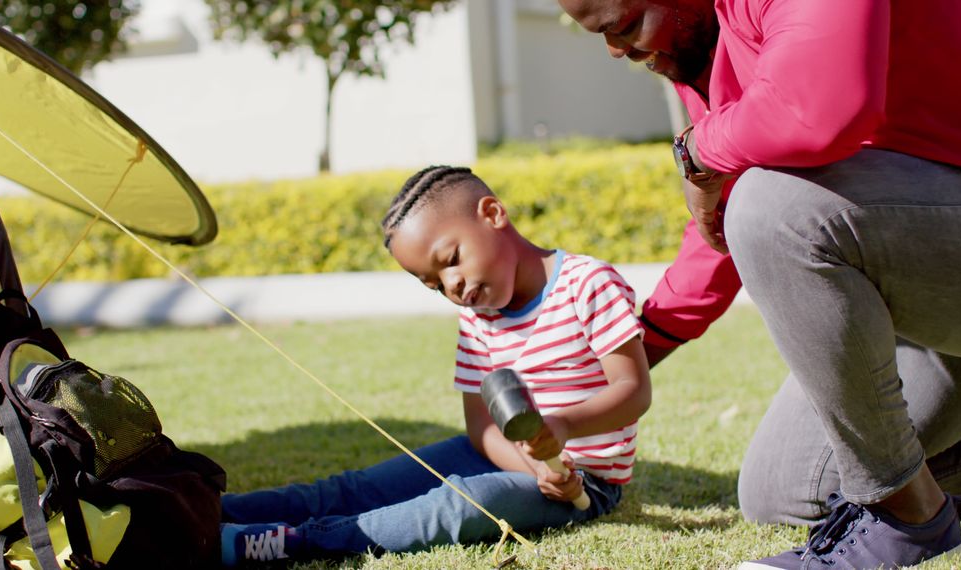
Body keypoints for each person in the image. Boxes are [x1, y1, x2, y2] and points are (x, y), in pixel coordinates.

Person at [557, 0, 961, 568]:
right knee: (787, 489)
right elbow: (722, 224)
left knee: (772, 207)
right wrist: (630, 352)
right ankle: (912, 485)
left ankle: (905, 522)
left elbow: (815, 113)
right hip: (942, 279)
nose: (617, 50)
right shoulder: (708, 43)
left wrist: (696, 151)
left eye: (626, 26)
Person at [217, 165, 652, 564]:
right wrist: (533, 463)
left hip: (584, 482)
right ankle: (206, 511)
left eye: (451, 260)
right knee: (359, 488)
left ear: (493, 213)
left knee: (461, 503)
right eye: (435, 284)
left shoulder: (588, 284)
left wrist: (560, 433)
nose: (453, 286)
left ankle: (291, 542)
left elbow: (633, 390)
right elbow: (481, 427)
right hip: (506, 458)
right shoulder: (478, 317)